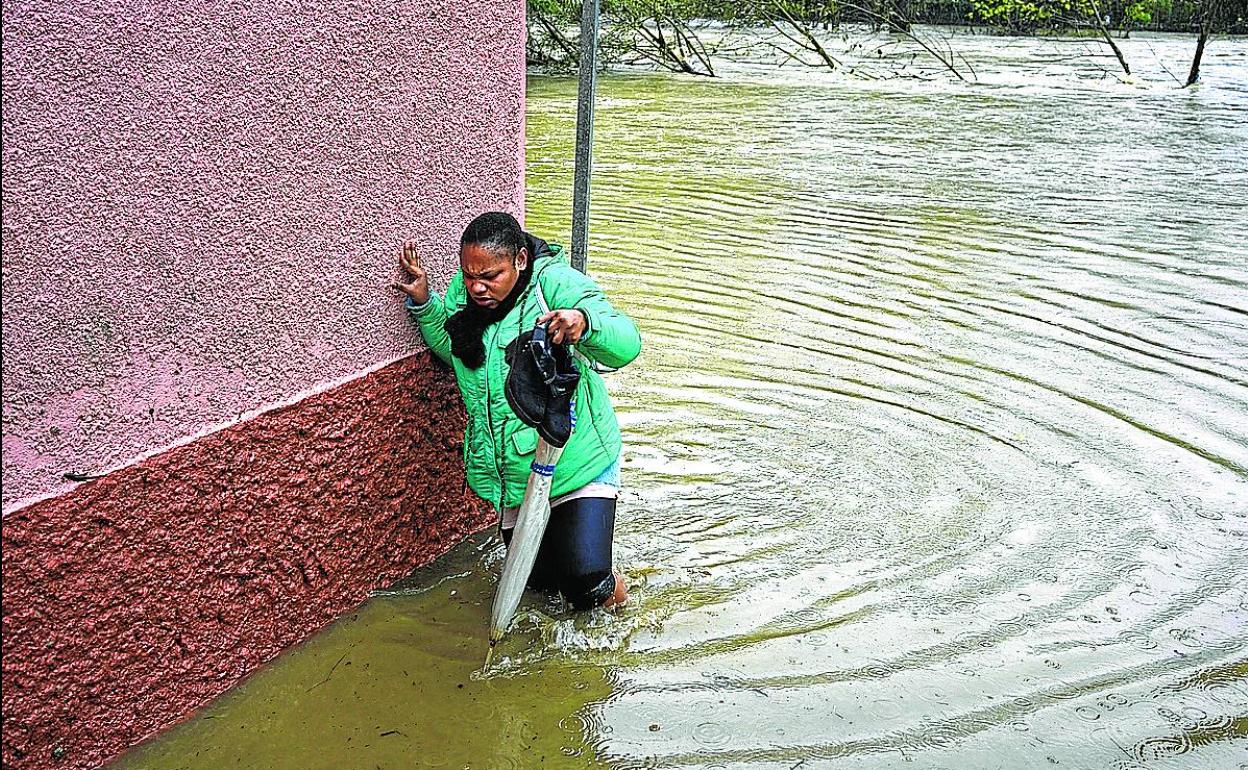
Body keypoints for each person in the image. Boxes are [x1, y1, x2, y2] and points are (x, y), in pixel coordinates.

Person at [393, 211, 641, 611]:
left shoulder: (554, 285)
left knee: (586, 584)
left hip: (576, 457)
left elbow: (628, 344)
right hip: (512, 472)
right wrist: (424, 303)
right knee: (541, 589)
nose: (477, 286)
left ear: (521, 260)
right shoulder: (463, 295)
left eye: (490, 276)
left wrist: (585, 323)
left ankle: (619, 603)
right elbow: (457, 354)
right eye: (469, 274)